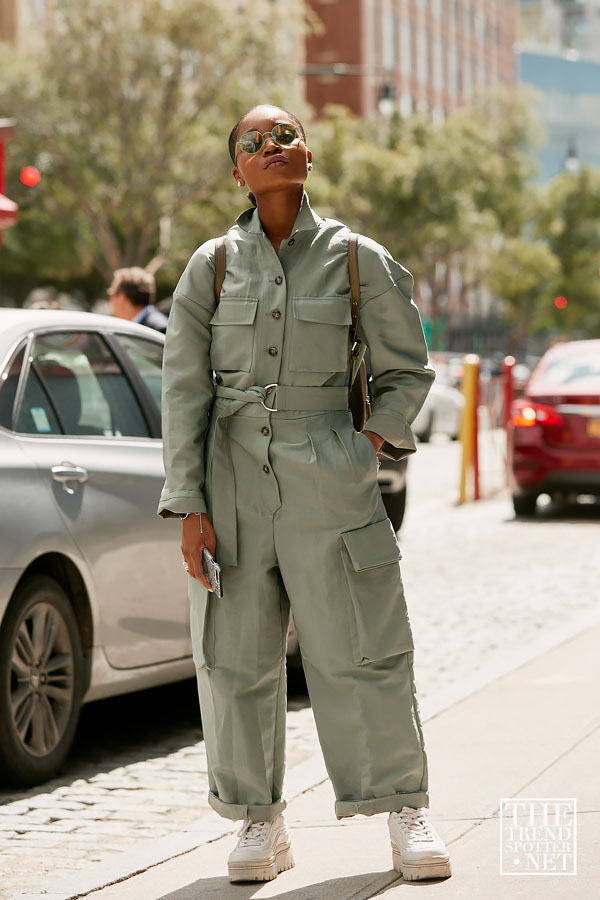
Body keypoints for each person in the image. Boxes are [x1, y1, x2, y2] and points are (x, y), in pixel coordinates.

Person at [157, 105, 452, 885]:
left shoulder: (357, 258)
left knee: (366, 648)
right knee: (237, 661)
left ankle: (403, 809)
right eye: (254, 141)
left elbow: (408, 371)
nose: (272, 146)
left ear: (308, 155)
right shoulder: (211, 267)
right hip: (230, 485)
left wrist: (366, 447)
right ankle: (260, 823)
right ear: (238, 173)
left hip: (333, 481)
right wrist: (189, 504)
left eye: (285, 134)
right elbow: (183, 392)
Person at [107, 266, 168, 333]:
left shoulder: (159, 329)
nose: (110, 299)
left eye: (111, 293)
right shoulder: (134, 327)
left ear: (122, 298)